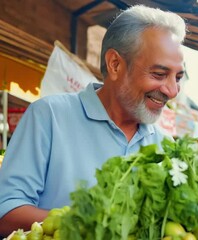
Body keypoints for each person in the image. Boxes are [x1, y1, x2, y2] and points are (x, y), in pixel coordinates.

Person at [0, 5, 186, 236]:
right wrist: (95, 224)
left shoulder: (166, 148)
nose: (172, 90)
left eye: (178, 77)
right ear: (115, 64)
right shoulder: (49, 116)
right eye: (159, 74)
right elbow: (6, 212)